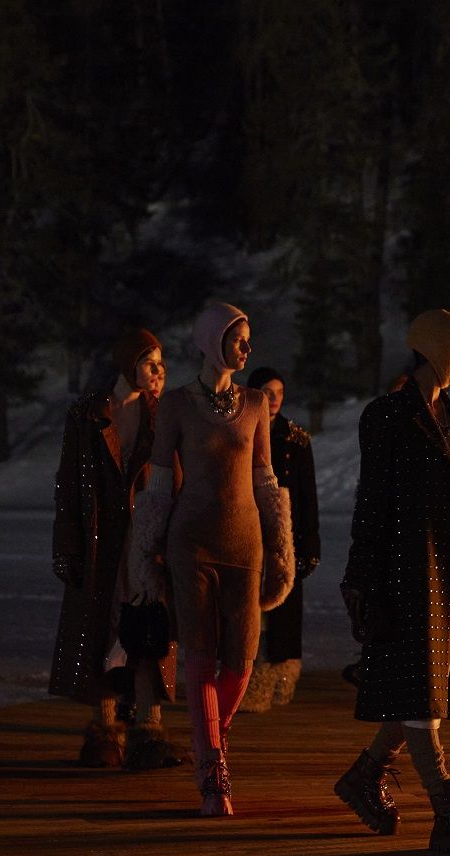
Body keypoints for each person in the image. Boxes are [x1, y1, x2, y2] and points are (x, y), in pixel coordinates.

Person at [332, 309, 450, 856]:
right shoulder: (387, 416)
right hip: (410, 575)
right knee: (422, 697)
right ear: (437, 349)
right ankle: (447, 810)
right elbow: (373, 501)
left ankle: (365, 774)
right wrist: (361, 579)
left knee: (421, 692)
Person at [127, 303, 294, 816]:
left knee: (241, 661)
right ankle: (212, 772)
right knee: (199, 654)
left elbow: (266, 480)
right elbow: (159, 484)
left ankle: (210, 735)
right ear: (211, 341)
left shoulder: (255, 403)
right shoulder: (176, 405)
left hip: (246, 546)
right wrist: (145, 552)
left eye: (248, 339)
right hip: (191, 545)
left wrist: (281, 548)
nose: (247, 348)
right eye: (238, 339)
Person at [50, 328, 178, 770]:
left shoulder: (164, 415)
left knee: (150, 630)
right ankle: (105, 730)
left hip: (147, 540)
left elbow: (178, 480)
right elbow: (69, 486)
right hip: (100, 541)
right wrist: (67, 547)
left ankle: (149, 730)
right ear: (128, 365)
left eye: (161, 363)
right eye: (149, 363)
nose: (158, 371)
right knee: (101, 629)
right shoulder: (89, 415)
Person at [239, 367, 320, 710]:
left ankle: (277, 681)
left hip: (285, 537)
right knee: (248, 610)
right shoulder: (240, 430)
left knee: (283, 612)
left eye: (279, 393)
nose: (274, 399)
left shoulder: (295, 440)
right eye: (267, 392)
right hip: (247, 532)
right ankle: (246, 681)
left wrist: (309, 545)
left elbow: (307, 498)